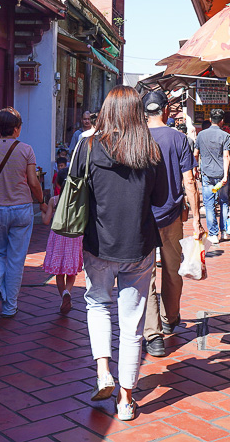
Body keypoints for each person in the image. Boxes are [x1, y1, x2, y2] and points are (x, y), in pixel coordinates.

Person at [75, 86, 166, 422]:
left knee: (97, 303)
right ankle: (126, 399)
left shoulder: (88, 147)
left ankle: (103, 371)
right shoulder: (150, 150)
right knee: (133, 323)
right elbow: (160, 200)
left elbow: (74, 189)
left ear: (107, 112)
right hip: (139, 245)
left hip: (99, 243)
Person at [143, 90, 201, 358]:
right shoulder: (179, 139)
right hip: (172, 216)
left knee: (145, 276)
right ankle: (171, 316)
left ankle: (153, 335)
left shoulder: (137, 138)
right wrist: (198, 218)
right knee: (172, 269)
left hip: (141, 218)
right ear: (166, 110)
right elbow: (189, 180)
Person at [0, 107, 47, 318]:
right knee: (16, 259)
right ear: (16, 129)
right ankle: (9, 307)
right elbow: (33, 182)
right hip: (21, 208)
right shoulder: (26, 149)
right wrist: (42, 201)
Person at [42, 169, 83, 314]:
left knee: (59, 273)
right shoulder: (78, 200)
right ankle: (68, 291)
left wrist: (43, 210)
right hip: (74, 237)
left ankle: (63, 296)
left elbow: (47, 221)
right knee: (71, 272)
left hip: (58, 237)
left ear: (58, 183)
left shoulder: (54, 200)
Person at [194, 108, 230, 244]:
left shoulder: (201, 135)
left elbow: (195, 154)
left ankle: (214, 234)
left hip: (207, 174)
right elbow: (226, 156)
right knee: (223, 201)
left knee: (209, 204)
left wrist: (195, 169)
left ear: (210, 120)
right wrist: (226, 175)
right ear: (222, 121)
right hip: (221, 175)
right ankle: (225, 231)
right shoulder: (225, 136)